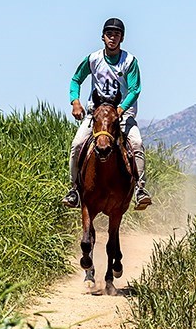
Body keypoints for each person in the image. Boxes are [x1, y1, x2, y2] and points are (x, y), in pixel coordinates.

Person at [61, 17, 152, 210]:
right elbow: (76, 79)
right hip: (96, 114)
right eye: (109, 34)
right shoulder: (93, 59)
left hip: (122, 114)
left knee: (137, 144)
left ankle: (140, 189)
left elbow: (135, 89)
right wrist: (75, 101)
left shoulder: (129, 61)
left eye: (116, 35)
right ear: (102, 37)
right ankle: (74, 189)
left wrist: (120, 110)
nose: (112, 38)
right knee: (77, 145)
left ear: (122, 38)